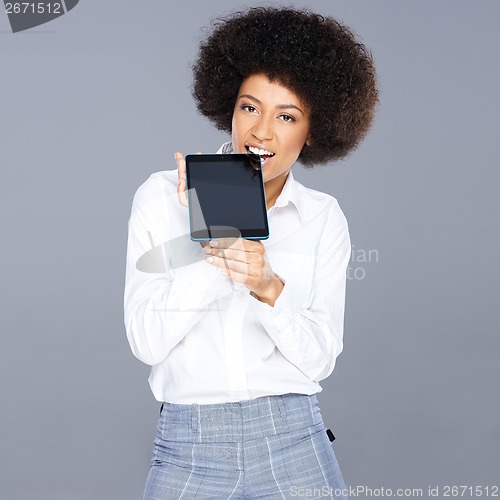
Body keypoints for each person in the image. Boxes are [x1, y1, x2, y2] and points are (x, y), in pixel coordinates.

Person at [124, 6, 378, 499]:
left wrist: (267, 285)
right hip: (189, 447)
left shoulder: (323, 217)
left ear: (315, 129)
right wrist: (218, 236)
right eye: (249, 107)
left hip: (294, 444)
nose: (261, 132)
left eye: (287, 115)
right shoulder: (160, 197)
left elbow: (318, 359)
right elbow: (147, 342)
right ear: (229, 107)